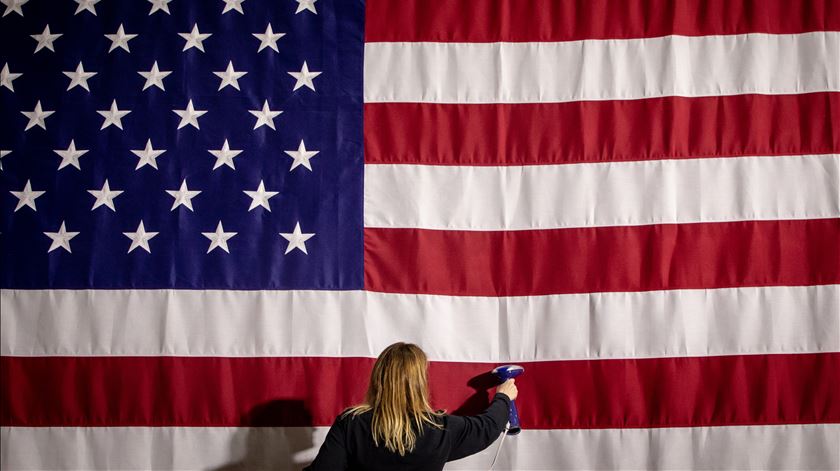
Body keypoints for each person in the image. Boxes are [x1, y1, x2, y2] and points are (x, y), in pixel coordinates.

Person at [305, 342, 519, 470]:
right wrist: (503, 396)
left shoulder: (351, 423)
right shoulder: (441, 429)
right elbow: (488, 426)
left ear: (378, 378)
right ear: (420, 383)